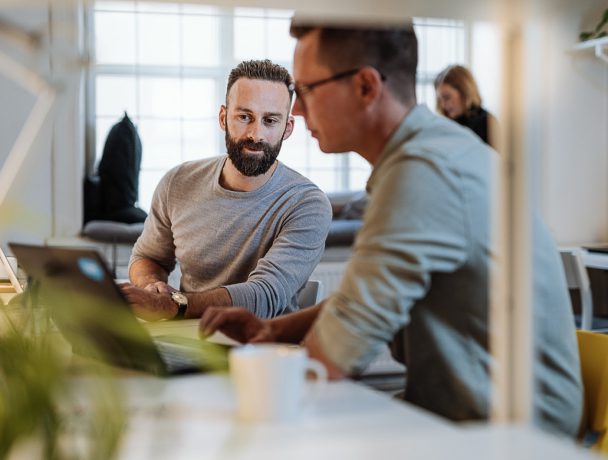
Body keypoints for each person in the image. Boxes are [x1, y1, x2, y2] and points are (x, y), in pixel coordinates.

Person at [199, 23, 583, 436]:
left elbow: (328, 362)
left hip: (512, 434)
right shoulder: (427, 152)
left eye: (307, 90)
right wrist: (273, 330)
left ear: (366, 87)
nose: (297, 112)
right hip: (459, 411)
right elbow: (358, 303)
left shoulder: (423, 173)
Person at [121, 59, 332, 321]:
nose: (256, 134)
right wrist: (151, 286)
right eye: (245, 117)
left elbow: (265, 295)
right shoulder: (178, 182)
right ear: (223, 118)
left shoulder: (307, 204)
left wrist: (173, 305)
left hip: (263, 348)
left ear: (287, 128)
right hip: (186, 339)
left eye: (270, 120)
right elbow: (148, 257)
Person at [434, 64, 496, 147]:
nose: (443, 105)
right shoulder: (446, 125)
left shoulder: (487, 123)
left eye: (447, 97)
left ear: (465, 92)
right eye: (439, 99)